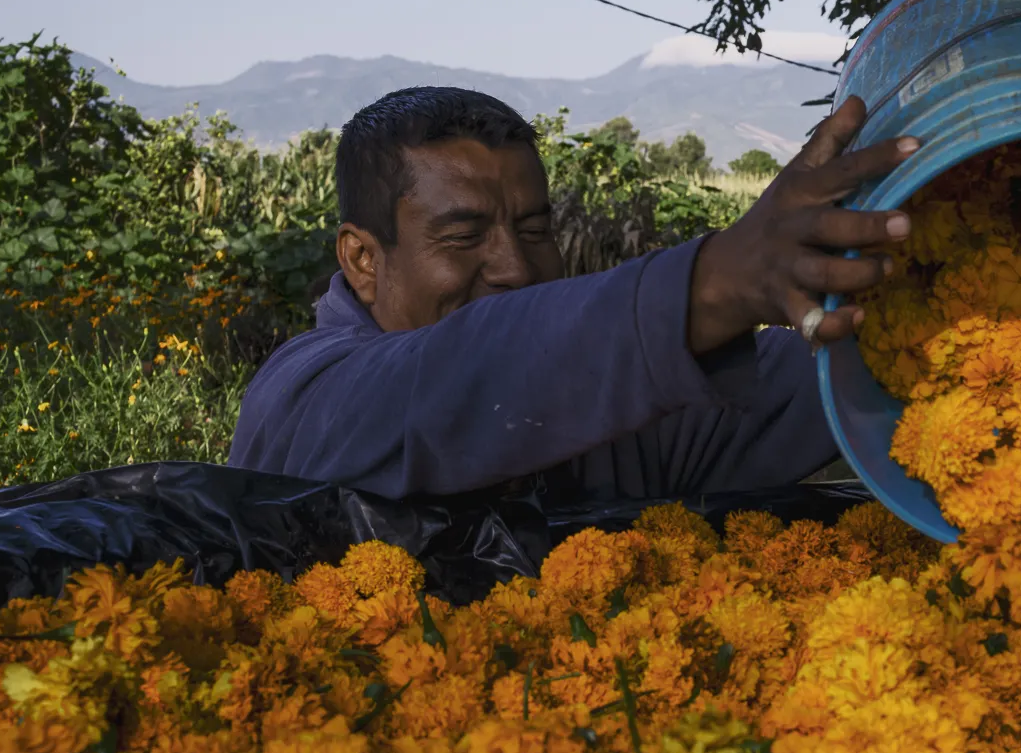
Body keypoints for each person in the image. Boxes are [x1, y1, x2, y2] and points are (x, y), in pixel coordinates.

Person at [228, 86, 915, 502]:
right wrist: (713, 281)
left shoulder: (611, 409)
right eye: (464, 236)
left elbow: (825, 374)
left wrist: (933, 300)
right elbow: (452, 379)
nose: (517, 269)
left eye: (534, 230)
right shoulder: (306, 397)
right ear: (362, 259)